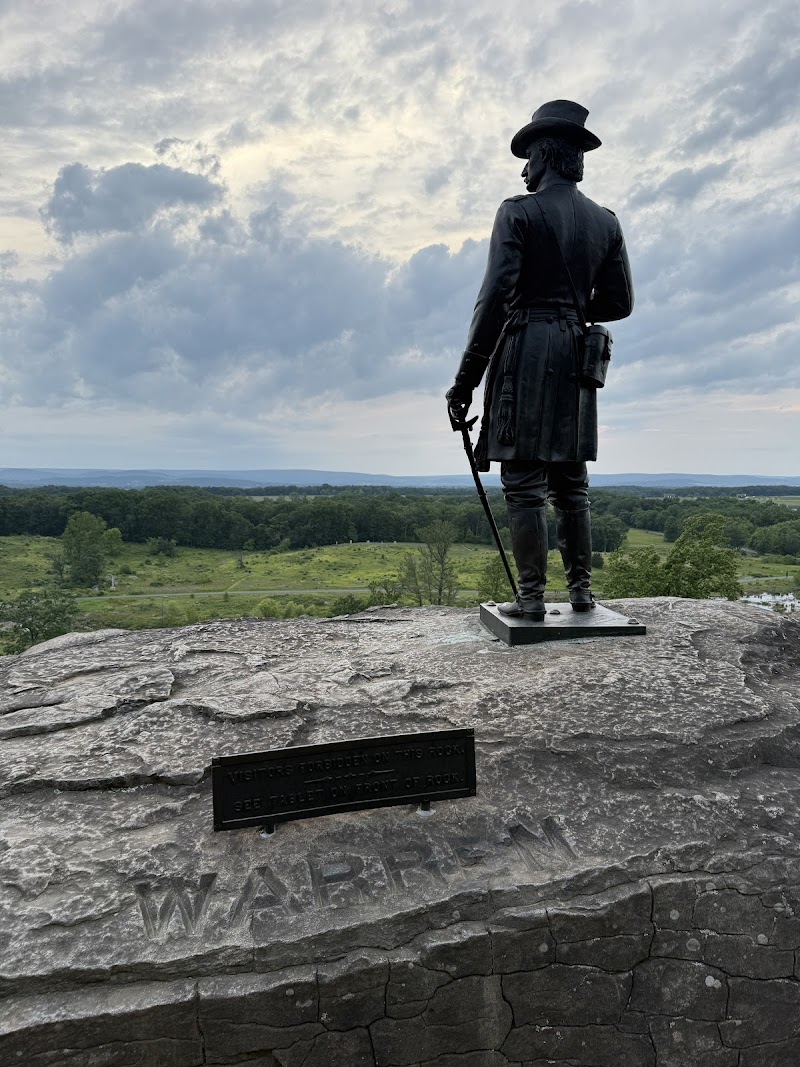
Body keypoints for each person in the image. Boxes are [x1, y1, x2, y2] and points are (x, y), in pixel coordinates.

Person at [446, 100, 634, 621]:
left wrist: (464, 383)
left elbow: (492, 301)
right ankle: (581, 594)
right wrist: (571, 312)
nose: (523, 169)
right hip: (576, 352)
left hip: (527, 349)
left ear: (547, 156)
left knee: (525, 483)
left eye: (528, 157)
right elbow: (619, 303)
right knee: (572, 485)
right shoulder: (606, 222)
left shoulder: (518, 211)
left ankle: (530, 598)